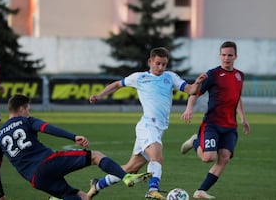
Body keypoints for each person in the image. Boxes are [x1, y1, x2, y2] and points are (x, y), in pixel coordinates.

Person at [88, 47, 207, 200]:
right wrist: (99, 95)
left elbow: (190, 89)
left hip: (159, 128)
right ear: (150, 61)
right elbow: (117, 84)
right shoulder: (140, 77)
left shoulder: (170, 77)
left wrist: (197, 83)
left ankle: (96, 185)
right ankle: (152, 189)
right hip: (147, 125)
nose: (161, 67)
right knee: (157, 157)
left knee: (131, 168)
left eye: (164, 64)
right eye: (158, 63)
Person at [0, 94, 151, 200]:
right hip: (48, 162)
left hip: (36, 179)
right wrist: (73, 137)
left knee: (83, 197)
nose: (29, 113)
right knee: (95, 156)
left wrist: (0, 196)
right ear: (21, 109)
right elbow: (48, 128)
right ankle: (126, 177)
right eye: (28, 110)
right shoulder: (26, 121)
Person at [180, 41, 251, 199]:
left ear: (235, 56)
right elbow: (195, 92)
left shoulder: (240, 75)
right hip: (212, 124)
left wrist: (243, 118)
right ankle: (195, 141)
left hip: (230, 126)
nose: (226, 58)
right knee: (208, 158)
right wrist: (189, 108)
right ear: (220, 56)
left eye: (230, 55)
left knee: (224, 158)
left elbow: (237, 98)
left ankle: (201, 191)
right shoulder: (213, 74)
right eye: (224, 55)